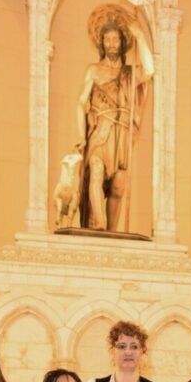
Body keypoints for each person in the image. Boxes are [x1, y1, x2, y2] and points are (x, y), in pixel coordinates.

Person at [75, 19, 154, 232]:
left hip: (121, 134)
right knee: (96, 170)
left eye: (115, 39)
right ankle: (99, 226)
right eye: (107, 40)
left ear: (122, 43)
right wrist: (81, 135)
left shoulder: (129, 73)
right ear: (101, 43)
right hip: (100, 131)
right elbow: (81, 102)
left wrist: (140, 37)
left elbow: (149, 70)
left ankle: (111, 232)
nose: (111, 44)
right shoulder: (94, 70)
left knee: (118, 185)